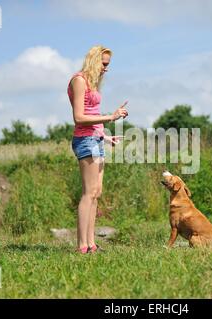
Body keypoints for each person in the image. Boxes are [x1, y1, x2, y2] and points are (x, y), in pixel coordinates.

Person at [67, 45, 128, 254]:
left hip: (96, 138)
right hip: (85, 140)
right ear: (94, 61)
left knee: (96, 193)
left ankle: (91, 243)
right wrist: (111, 117)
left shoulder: (92, 84)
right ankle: (82, 246)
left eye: (107, 65)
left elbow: (92, 115)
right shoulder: (79, 80)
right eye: (104, 64)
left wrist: (104, 135)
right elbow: (79, 118)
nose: (105, 69)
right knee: (88, 193)